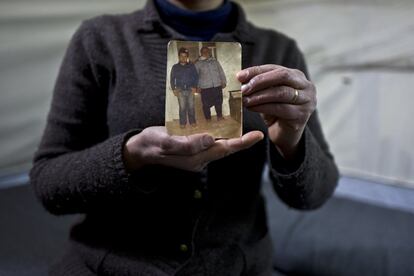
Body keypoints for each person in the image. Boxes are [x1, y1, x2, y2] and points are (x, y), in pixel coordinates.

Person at [29, 0, 339, 275]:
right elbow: (48, 183)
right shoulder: (100, 39)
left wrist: (292, 139)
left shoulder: (280, 49)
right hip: (108, 266)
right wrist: (131, 155)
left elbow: (316, 194)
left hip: (239, 267)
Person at [195, 46, 227, 121]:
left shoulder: (215, 61)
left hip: (217, 85)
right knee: (206, 104)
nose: (206, 53)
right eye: (204, 52)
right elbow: (195, 76)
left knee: (218, 102)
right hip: (205, 87)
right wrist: (197, 86)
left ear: (209, 52)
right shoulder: (198, 64)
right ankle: (208, 118)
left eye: (207, 51)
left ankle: (219, 116)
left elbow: (221, 72)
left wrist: (223, 81)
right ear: (201, 53)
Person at [170, 47, 198, 128]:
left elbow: (196, 77)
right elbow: (172, 79)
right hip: (180, 90)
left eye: (185, 56)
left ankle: (192, 122)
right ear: (179, 57)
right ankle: (183, 123)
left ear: (187, 57)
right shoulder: (175, 67)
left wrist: (195, 87)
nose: (183, 58)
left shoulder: (191, 66)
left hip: (190, 89)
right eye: (181, 56)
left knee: (191, 107)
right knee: (182, 108)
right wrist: (173, 89)